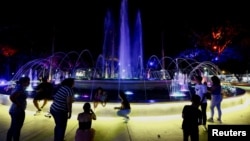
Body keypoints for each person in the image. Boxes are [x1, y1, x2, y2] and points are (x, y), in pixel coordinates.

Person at [6, 76, 30, 141]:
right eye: (28, 82)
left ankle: (8, 139)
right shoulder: (20, 88)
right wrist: (19, 104)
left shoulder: (19, 87)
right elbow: (12, 97)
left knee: (13, 127)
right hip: (18, 111)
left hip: (14, 110)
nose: (29, 83)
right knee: (17, 128)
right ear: (24, 82)